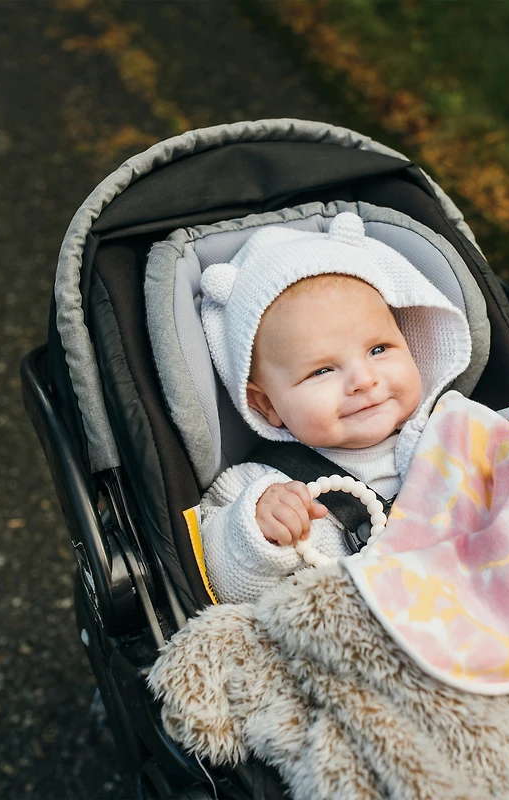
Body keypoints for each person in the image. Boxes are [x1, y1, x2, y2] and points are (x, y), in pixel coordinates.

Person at [198, 212, 473, 604]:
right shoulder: (260, 486)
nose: (363, 379)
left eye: (378, 349)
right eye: (322, 370)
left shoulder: (458, 435)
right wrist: (257, 533)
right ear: (267, 404)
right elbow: (219, 586)